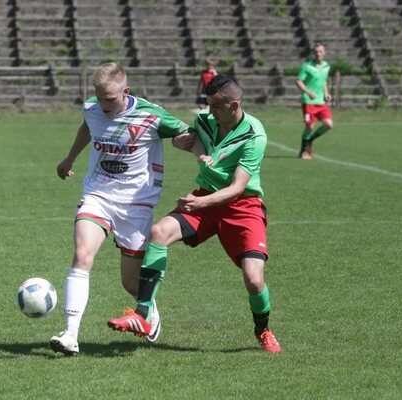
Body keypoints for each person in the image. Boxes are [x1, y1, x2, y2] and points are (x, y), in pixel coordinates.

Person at [107, 74, 282, 353]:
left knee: (254, 278)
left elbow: (237, 188)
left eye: (216, 106)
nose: (210, 111)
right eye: (208, 104)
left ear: (234, 105)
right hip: (204, 197)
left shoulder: (254, 134)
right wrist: (190, 146)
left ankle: (263, 330)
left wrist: (202, 203)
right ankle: (143, 314)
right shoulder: (206, 120)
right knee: (159, 232)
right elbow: (187, 138)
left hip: (243, 206)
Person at [50, 63, 194, 356]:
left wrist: (200, 151)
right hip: (98, 194)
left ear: (126, 91)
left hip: (136, 204)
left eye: (111, 99)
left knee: (130, 283)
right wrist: (69, 158)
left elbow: (185, 134)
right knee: (82, 254)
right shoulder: (92, 109)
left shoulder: (151, 115)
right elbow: (88, 127)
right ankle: (70, 334)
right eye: (100, 97)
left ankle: (147, 310)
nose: (104, 105)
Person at [295, 42, 333, 160]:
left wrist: (326, 94)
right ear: (313, 53)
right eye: (316, 52)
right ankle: (304, 150)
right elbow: (298, 81)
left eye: (320, 51)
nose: (318, 54)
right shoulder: (306, 66)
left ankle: (309, 140)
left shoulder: (326, 66)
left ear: (324, 53)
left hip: (321, 103)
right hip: (308, 102)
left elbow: (323, 81)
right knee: (310, 127)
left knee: (329, 124)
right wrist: (308, 92)